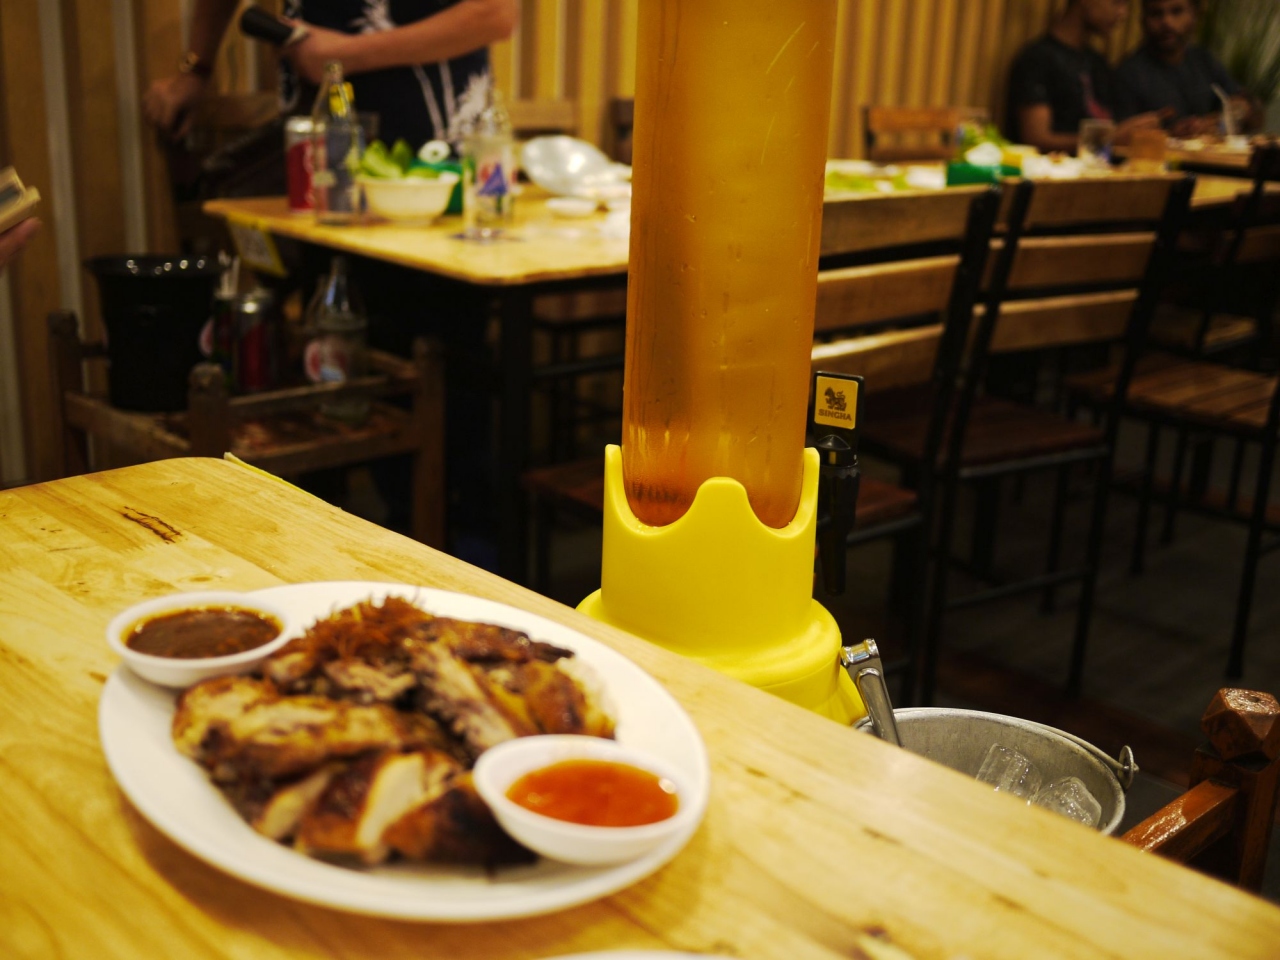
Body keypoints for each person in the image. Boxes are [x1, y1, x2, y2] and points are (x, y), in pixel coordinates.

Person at [144, 0, 517, 149]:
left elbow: (494, 13)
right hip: (315, 142)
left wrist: (343, 56)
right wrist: (197, 69)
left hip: (438, 156)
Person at [1006, 0, 1165, 154]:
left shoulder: (1097, 62)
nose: (1123, 13)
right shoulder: (1038, 59)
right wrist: (1109, 138)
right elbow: (1036, 139)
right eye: (1116, 2)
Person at [1116, 0, 1261, 137]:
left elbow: (1254, 115)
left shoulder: (1204, 61)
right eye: (1156, 14)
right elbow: (1120, 138)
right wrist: (1172, 133)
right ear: (1143, 20)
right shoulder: (1129, 73)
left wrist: (1237, 112)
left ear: (1194, 15)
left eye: (1176, 11)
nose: (1167, 22)